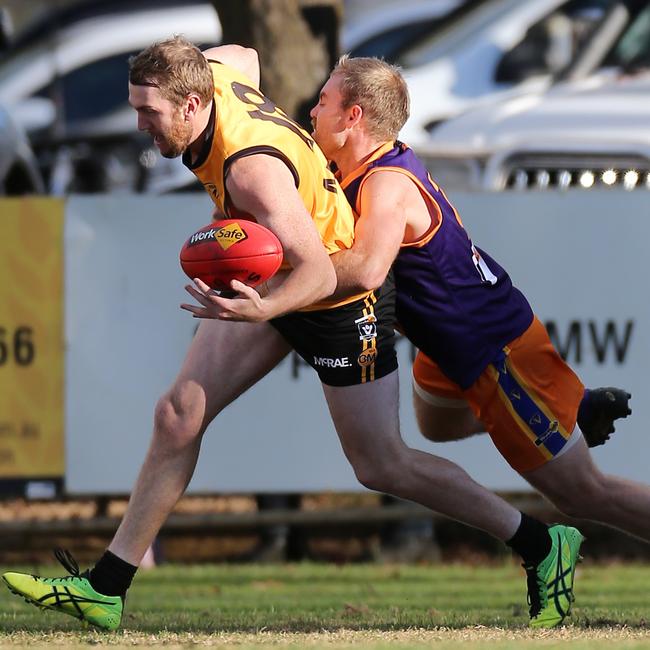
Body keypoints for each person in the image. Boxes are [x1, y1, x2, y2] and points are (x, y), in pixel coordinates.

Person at [3, 38, 577, 632]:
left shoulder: (252, 171)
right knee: (178, 414)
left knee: (382, 464)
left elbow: (324, 272)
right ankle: (106, 588)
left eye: (150, 111)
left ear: (194, 103)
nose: (139, 122)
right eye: (136, 106)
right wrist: (176, 58)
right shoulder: (215, 79)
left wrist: (261, 310)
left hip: (339, 301)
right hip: (281, 278)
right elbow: (249, 52)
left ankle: (540, 543)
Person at [309, 54, 648, 622]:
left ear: (354, 117)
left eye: (322, 101)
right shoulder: (369, 166)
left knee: (583, 494)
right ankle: (571, 411)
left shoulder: (386, 185)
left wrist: (280, 290)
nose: (312, 109)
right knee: (433, 425)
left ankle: (560, 424)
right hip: (450, 348)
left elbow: (367, 271)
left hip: (495, 352)